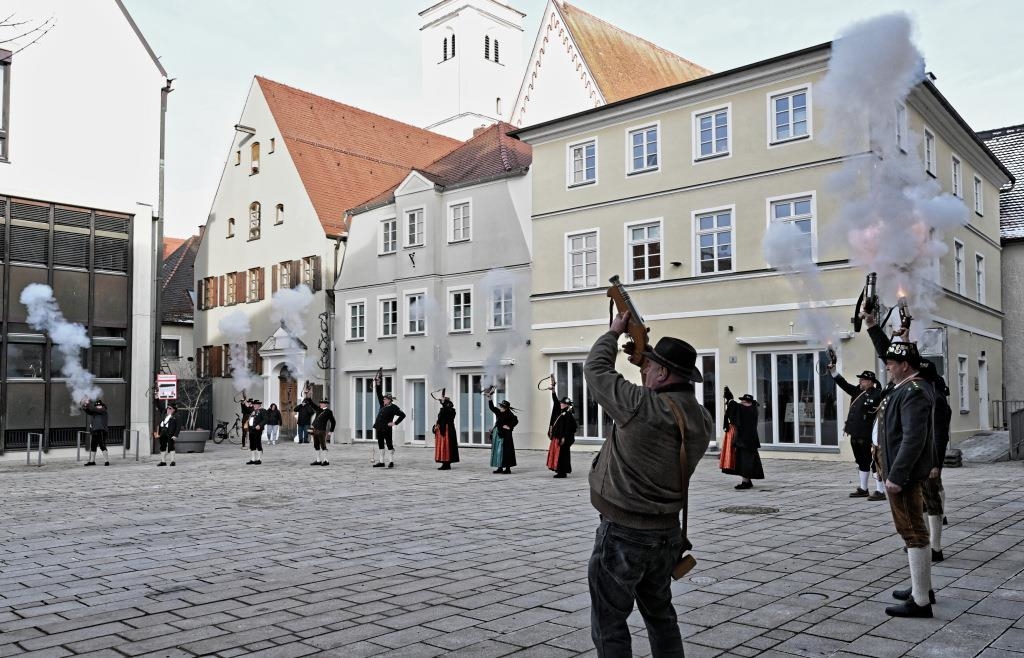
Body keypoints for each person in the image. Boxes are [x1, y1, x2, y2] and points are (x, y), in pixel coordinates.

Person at [585, 312, 713, 656]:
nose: (645, 371)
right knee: (661, 616)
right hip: (666, 533)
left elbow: (596, 372)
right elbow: (662, 395)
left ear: (664, 374)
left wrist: (613, 333)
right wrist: (646, 361)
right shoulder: (701, 418)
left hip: (625, 531)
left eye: (652, 367)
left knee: (609, 621)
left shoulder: (643, 407)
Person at [875, 340, 936, 618]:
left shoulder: (914, 391)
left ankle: (921, 601)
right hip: (900, 471)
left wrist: (897, 475)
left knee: (913, 531)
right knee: (911, 529)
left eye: (891, 363)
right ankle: (922, 588)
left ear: (905, 365)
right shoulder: (903, 388)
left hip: (906, 475)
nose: (887, 367)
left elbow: (913, 438)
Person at [827, 364, 884, 499]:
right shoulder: (857, 392)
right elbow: (843, 384)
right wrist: (833, 371)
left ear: (870, 381)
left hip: (869, 435)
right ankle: (863, 488)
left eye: (863, 380)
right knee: (861, 461)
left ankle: (880, 491)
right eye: (860, 380)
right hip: (855, 433)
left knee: (874, 462)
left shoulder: (878, 394)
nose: (860, 382)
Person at [917, 358, 952, 563]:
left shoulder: (936, 400)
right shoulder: (925, 394)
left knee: (931, 501)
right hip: (919, 457)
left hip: (929, 459)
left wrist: (935, 464)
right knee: (922, 501)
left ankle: (935, 547)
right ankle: (925, 542)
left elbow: (940, 435)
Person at [721, 389, 764, 489]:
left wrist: (730, 400)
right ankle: (747, 481)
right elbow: (737, 410)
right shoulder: (752, 409)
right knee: (746, 460)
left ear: (748, 403)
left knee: (746, 461)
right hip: (748, 440)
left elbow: (736, 410)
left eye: (743, 401)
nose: (741, 403)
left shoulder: (749, 410)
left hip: (746, 441)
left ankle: (745, 482)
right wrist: (731, 401)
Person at [545, 378, 578, 478]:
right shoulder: (559, 412)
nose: (561, 404)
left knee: (562, 455)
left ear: (567, 406)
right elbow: (555, 401)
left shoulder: (568, 415)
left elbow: (571, 428)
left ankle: (562, 472)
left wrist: (564, 437)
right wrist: (553, 390)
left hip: (563, 438)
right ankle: (559, 470)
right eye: (561, 403)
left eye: (563, 403)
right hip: (557, 437)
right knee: (557, 454)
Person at [373, 375, 406, 468]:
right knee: (380, 444)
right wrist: (378, 383)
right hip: (379, 427)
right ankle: (381, 461)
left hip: (387, 428)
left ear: (390, 400)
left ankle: (391, 461)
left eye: (385, 399)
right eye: (383, 399)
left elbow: (403, 415)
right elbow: (379, 393)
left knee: (389, 444)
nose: (384, 400)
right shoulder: (382, 404)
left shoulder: (394, 407)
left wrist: (395, 423)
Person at [486, 392, 518, 474]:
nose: (500, 407)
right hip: (498, 434)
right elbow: (492, 407)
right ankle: (499, 467)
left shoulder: (510, 414)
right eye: (501, 406)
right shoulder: (499, 412)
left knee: (506, 451)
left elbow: (515, 421)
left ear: (506, 408)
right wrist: (489, 398)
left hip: (506, 435)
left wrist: (509, 426)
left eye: (502, 407)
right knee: (497, 450)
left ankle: (507, 469)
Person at [81, 398, 110, 467]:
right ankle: (92, 461)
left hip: (101, 430)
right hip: (94, 431)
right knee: (93, 446)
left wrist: (88, 404)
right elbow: (88, 411)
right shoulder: (95, 411)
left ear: (102, 406)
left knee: (102, 445)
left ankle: (106, 461)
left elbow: (93, 409)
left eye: (99, 405)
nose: (98, 407)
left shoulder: (103, 410)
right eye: (97, 406)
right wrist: (85, 406)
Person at [433, 395, 459, 470]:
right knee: (442, 446)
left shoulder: (451, 410)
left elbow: (447, 414)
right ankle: (445, 463)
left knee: (446, 446)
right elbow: (440, 418)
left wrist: (444, 404)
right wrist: (436, 425)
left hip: (447, 430)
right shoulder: (443, 409)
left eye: (443, 402)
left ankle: (447, 463)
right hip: (442, 429)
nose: (441, 403)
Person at [310, 399, 336, 466]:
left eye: (322, 403)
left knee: (323, 445)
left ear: (326, 404)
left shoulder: (329, 412)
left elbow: (333, 422)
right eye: (320, 403)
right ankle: (318, 460)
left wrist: (331, 431)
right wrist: (308, 395)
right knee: (316, 445)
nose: (320, 404)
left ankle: (326, 460)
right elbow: (311, 403)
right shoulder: (318, 409)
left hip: (322, 430)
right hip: (315, 430)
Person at [155, 402, 180, 467]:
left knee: (171, 446)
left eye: (170, 408)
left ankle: (172, 461)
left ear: (174, 410)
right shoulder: (164, 413)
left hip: (170, 432)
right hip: (162, 432)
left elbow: (178, 427)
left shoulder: (176, 416)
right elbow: (159, 405)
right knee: (162, 446)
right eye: (167, 408)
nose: (168, 409)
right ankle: (163, 461)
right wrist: (156, 398)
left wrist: (176, 435)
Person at [246, 400, 266, 465]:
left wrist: (260, 425)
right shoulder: (253, 411)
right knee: (252, 444)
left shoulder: (263, 411)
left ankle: (259, 459)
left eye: (255, 404)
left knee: (258, 443)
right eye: (254, 404)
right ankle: (253, 459)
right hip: (251, 429)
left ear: (259, 405)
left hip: (258, 429)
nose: (254, 405)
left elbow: (265, 419)